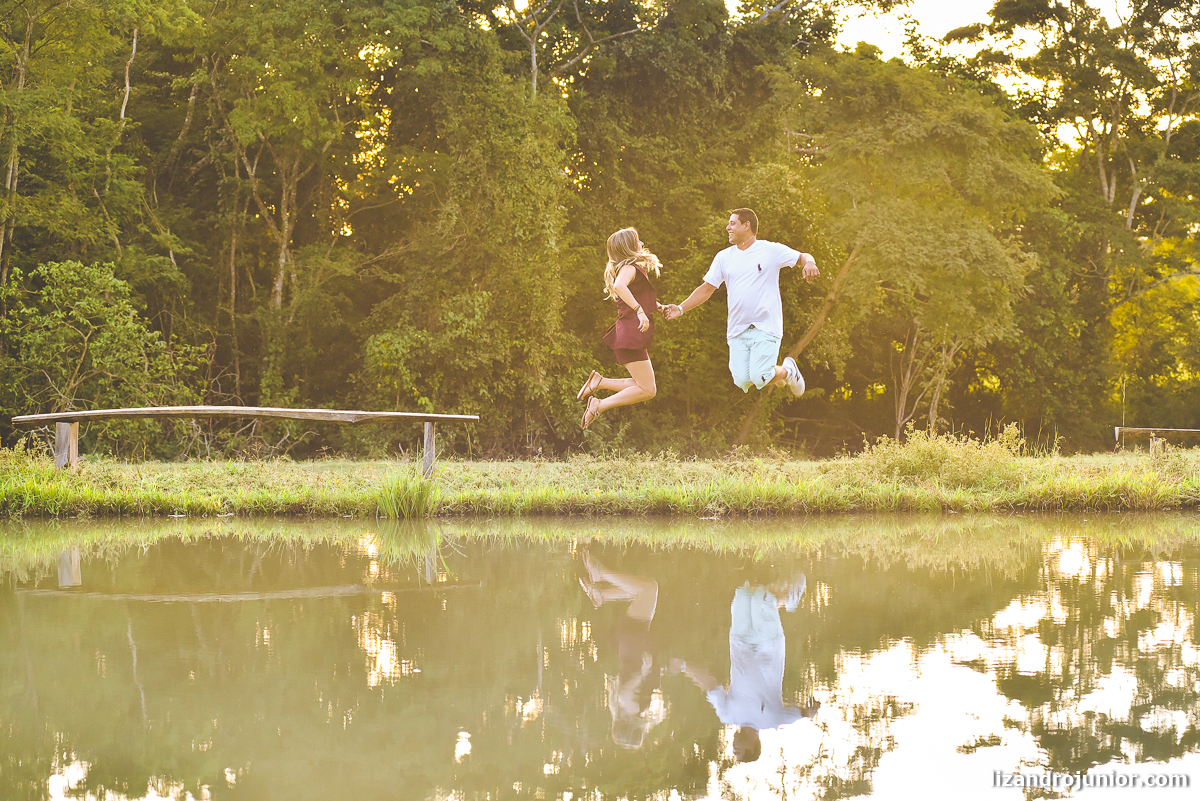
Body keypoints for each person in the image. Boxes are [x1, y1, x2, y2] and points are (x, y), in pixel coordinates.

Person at [663, 208, 818, 397]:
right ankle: (778, 373)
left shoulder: (770, 250)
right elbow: (706, 289)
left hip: (766, 325)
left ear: (747, 225)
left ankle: (788, 371)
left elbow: (803, 256)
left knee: (760, 375)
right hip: (737, 329)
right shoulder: (723, 257)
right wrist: (680, 308)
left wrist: (810, 262)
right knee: (742, 380)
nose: (727, 227)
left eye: (732, 223)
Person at [671, 574, 818, 763]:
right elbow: (804, 714)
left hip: (739, 642)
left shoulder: (726, 715)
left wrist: (683, 666)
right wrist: (811, 711)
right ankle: (789, 598)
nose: (734, 748)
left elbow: (710, 684)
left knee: (744, 595)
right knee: (762, 601)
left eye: (735, 752)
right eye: (739, 751)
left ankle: (776, 591)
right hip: (769, 645)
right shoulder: (772, 720)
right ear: (753, 746)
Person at [577, 227, 666, 429]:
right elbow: (619, 287)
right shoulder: (629, 268)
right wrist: (640, 311)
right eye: (638, 241)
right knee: (648, 390)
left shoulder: (631, 268)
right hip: (630, 334)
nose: (642, 244)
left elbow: (637, 295)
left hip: (629, 334)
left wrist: (658, 307)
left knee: (642, 386)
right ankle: (599, 403)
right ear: (630, 247)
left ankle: (600, 383)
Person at [578, 547, 665, 750]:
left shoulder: (630, 707)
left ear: (633, 729)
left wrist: (643, 672)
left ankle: (602, 575)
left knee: (649, 588)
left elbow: (626, 692)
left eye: (640, 734)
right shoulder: (621, 708)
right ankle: (602, 595)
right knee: (640, 591)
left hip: (634, 643)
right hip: (630, 642)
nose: (645, 730)